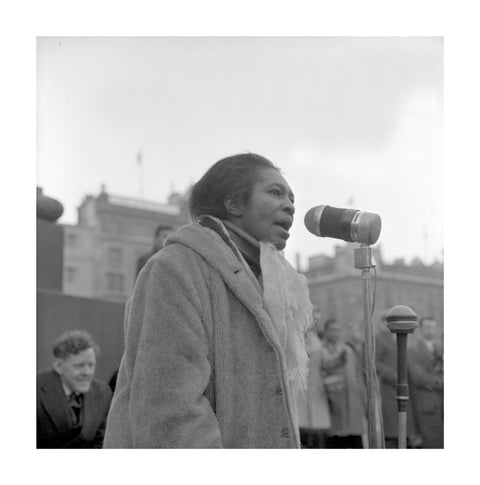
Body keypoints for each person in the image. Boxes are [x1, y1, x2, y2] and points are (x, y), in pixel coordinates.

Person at [103, 153, 313, 448]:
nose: (290, 205)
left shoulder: (271, 283)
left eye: (292, 197)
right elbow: (170, 411)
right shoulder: (175, 267)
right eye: (275, 192)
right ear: (234, 204)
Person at [37, 330, 112, 448]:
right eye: (79, 366)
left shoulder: (103, 393)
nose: (87, 372)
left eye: (91, 365)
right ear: (59, 366)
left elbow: (100, 443)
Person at [320, 319, 367, 448]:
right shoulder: (320, 350)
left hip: (353, 401)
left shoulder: (348, 349)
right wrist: (339, 359)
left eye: (338, 330)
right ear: (326, 332)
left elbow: (358, 374)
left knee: (355, 439)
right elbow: (324, 365)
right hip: (334, 402)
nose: (335, 333)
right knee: (337, 439)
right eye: (332, 330)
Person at [408, 316, 444, 448]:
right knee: (433, 444)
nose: (431, 330)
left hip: (443, 404)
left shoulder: (440, 348)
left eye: (433, 327)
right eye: (428, 327)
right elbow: (419, 378)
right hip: (428, 406)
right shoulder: (413, 349)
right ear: (421, 329)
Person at [297, 324, 331, 448]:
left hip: (316, 387)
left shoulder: (318, 347)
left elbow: (327, 363)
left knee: (317, 422)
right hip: (299, 386)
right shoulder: (296, 344)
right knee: (300, 419)